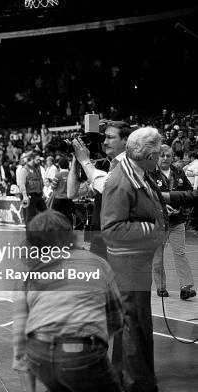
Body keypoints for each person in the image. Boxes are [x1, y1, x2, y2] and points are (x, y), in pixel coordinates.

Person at [13, 210, 123, 392]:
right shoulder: (97, 264)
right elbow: (116, 319)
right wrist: (93, 341)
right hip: (80, 352)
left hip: (39, 355)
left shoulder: (25, 278)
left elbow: (20, 344)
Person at [101, 127, 168, 392]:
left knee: (134, 323)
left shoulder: (137, 172)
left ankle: (125, 378)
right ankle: (136, 385)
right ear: (149, 155)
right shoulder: (121, 180)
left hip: (135, 264)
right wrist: (152, 228)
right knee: (134, 325)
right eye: (159, 154)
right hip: (127, 265)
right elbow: (111, 229)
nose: (161, 158)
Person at [68, 121, 133, 259]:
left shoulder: (132, 164)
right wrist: (76, 161)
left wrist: (85, 161)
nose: (104, 142)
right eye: (104, 138)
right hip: (99, 237)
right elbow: (72, 192)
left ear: (126, 140)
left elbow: (107, 187)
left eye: (110, 137)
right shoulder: (105, 165)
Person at [151, 145, 196, 300]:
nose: (165, 158)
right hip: (157, 223)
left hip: (177, 221)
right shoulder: (148, 174)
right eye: (162, 155)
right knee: (158, 256)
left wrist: (181, 207)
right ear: (157, 156)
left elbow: (189, 194)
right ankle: (161, 287)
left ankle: (186, 287)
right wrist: (161, 207)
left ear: (172, 157)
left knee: (180, 253)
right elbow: (143, 198)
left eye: (168, 156)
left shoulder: (179, 173)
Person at [17, 152, 46, 227]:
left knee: (46, 212)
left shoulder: (37, 169)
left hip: (38, 195)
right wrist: (25, 196)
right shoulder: (24, 170)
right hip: (29, 195)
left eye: (39, 160)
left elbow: (40, 181)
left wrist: (43, 193)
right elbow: (21, 184)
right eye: (37, 160)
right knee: (30, 216)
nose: (39, 161)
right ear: (32, 159)